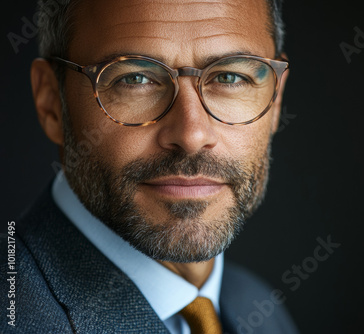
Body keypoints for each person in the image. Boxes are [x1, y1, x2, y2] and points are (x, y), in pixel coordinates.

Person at [1, 0, 298, 333]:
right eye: (135, 78)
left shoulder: (259, 307)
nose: (192, 135)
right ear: (51, 102)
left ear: (276, 99)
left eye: (231, 77)